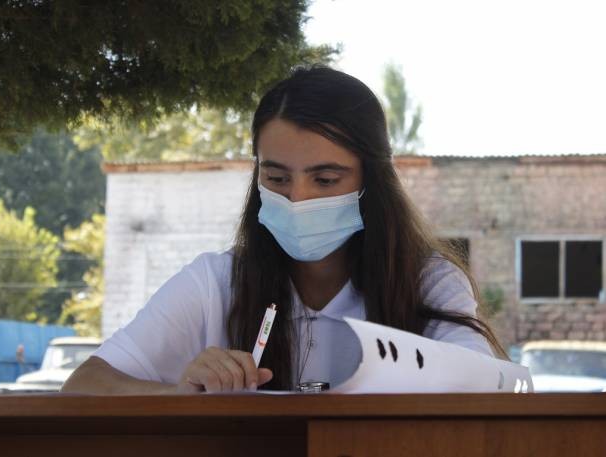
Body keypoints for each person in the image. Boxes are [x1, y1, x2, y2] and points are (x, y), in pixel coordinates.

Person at [62, 66, 505, 395]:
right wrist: (179, 394)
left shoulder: (429, 282)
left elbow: (484, 389)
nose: (298, 198)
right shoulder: (214, 284)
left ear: (373, 182)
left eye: (326, 180)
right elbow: (84, 385)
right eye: (276, 178)